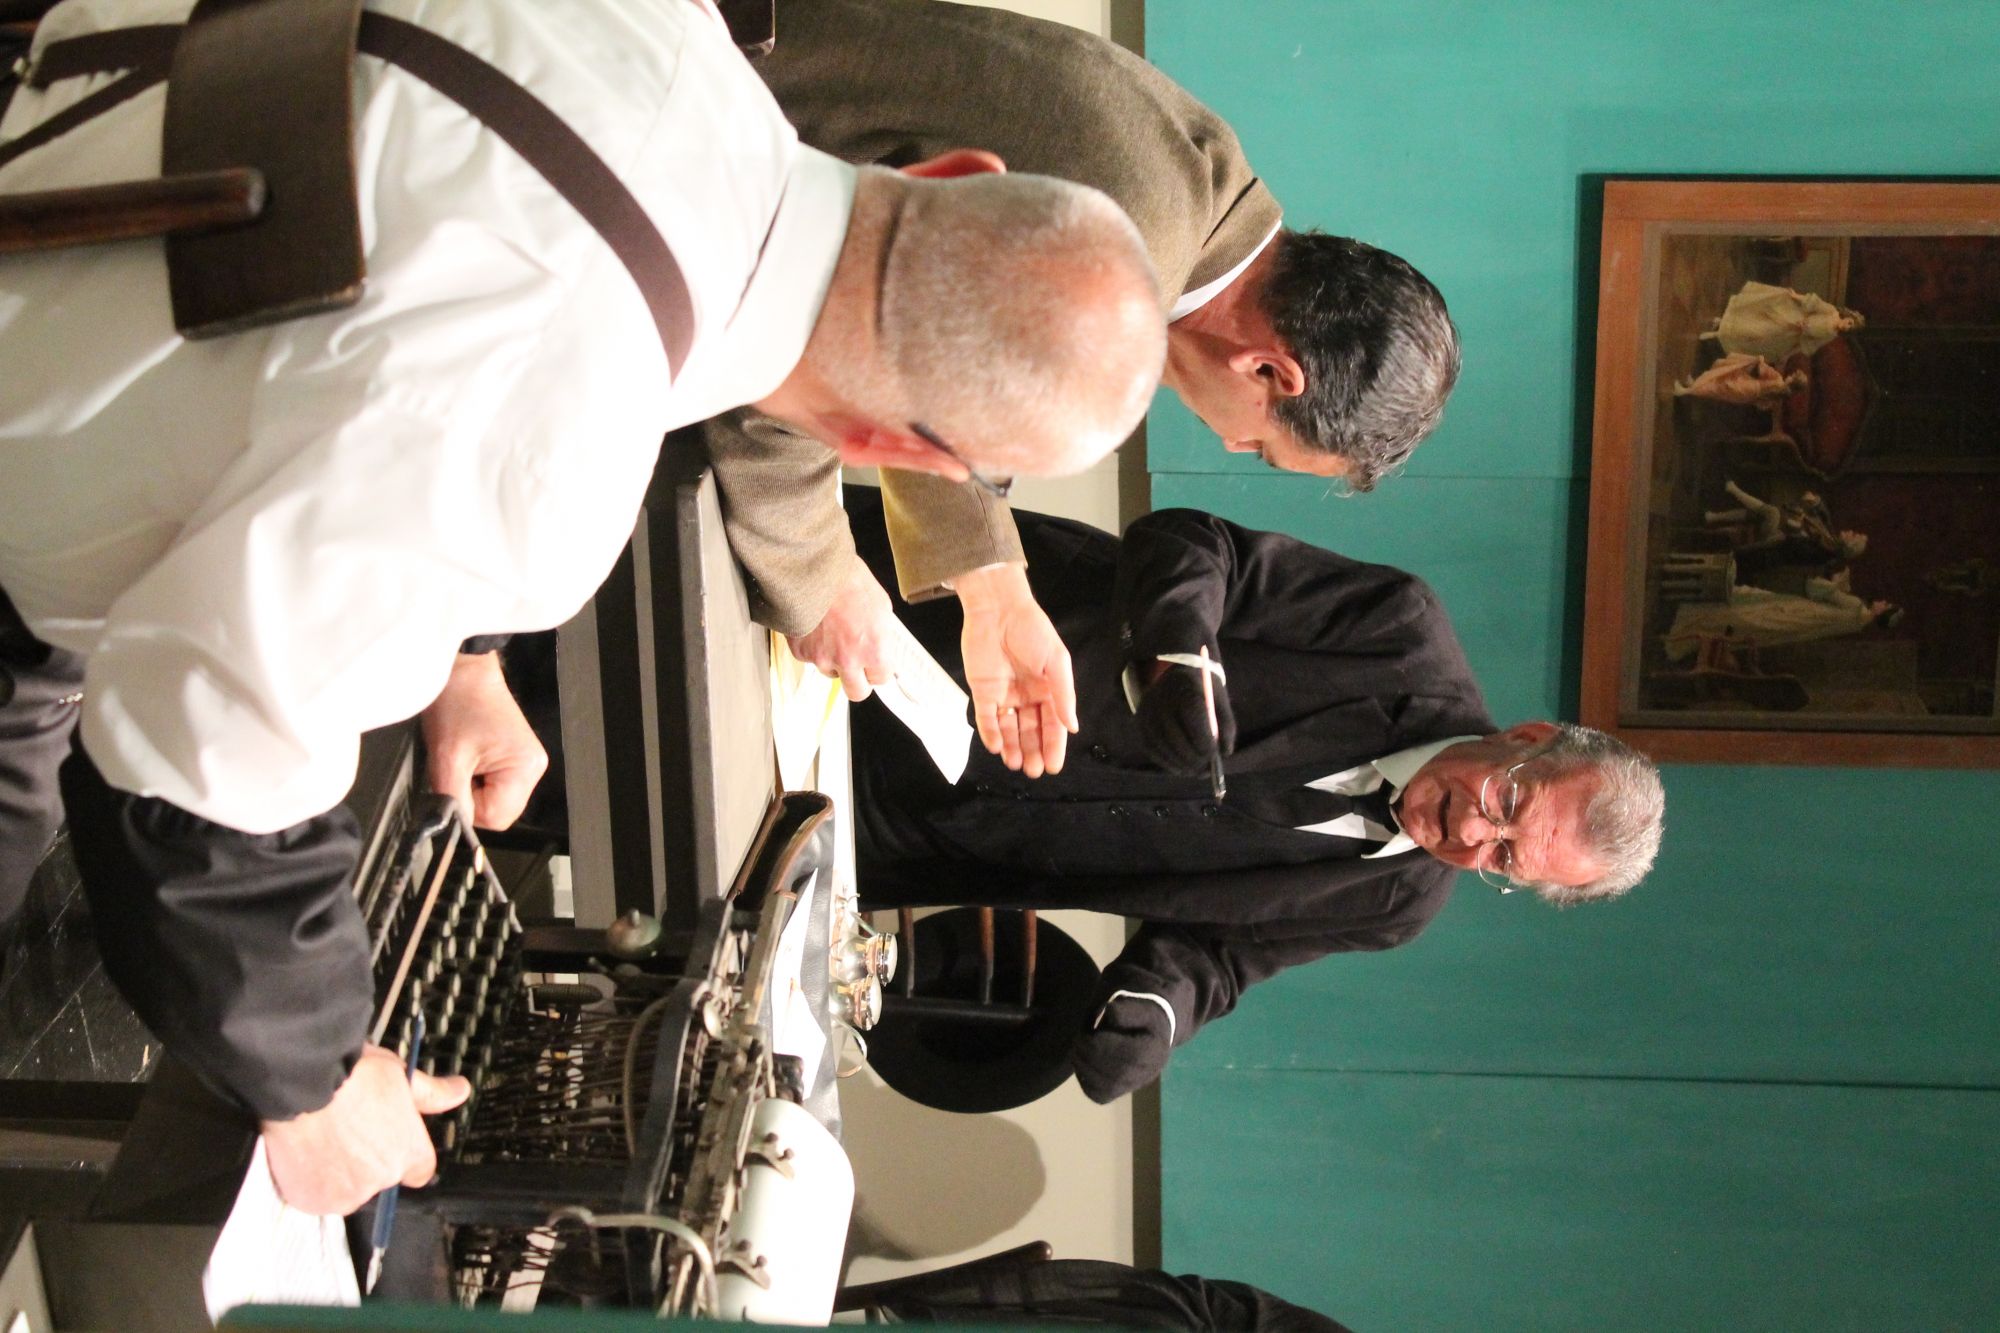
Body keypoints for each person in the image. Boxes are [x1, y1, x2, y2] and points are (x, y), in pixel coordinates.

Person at [0, 0, 1161, 1213]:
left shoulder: (672, 31)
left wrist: (464, 652)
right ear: (888, 448)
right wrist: (315, 1079)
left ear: (954, 171)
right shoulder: (555, 466)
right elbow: (185, 778)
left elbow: (406, 288)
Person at [711, 0, 1461, 778]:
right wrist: (818, 576)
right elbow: (806, 338)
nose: (1229, 443)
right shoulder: (1126, 255)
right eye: (1260, 444)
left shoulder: (1198, 182)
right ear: (1270, 370)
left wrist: (995, 592)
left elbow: (919, 354)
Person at [842, 491, 1664, 1102]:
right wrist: (1179, 657)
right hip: (925, 640)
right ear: (1526, 736)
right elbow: (1193, 544)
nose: (1474, 832)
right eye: (1509, 802)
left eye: (1505, 858)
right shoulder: (1399, 633)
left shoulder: (1398, 905)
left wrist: (1155, 1010)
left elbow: (1223, 955)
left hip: (929, 839)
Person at [1700, 282, 1864, 362]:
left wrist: (1788, 353)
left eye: (1849, 329)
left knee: (1755, 333)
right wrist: (1795, 296)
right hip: (1790, 316)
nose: (1846, 327)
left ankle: (1719, 335)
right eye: (1849, 323)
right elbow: (1813, 302)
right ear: (1847, 316)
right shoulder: (1831, 312)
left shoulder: (1832, 335)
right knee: (1756, 319)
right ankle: (1722, 323)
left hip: (1789, 335)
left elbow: (1809, 345)